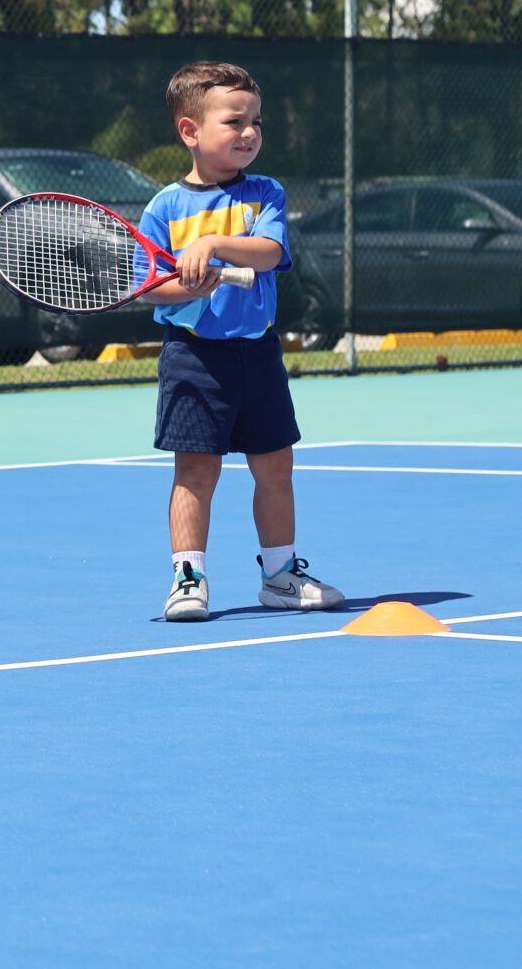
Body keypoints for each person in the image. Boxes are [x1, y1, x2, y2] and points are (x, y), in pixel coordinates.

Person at [138, 61, 345, 622]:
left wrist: (214, 242)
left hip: (258, 353)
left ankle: (280, 575)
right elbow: (149, 288)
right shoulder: (163, 209)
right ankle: (188, 578)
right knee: (196, 472)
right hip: (193, 358)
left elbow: (270, 253)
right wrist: (190, 282)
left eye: (256, 121)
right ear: (190, 132)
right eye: (234, 121)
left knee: (275, 466)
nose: (250, 132)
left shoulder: (265, 195)